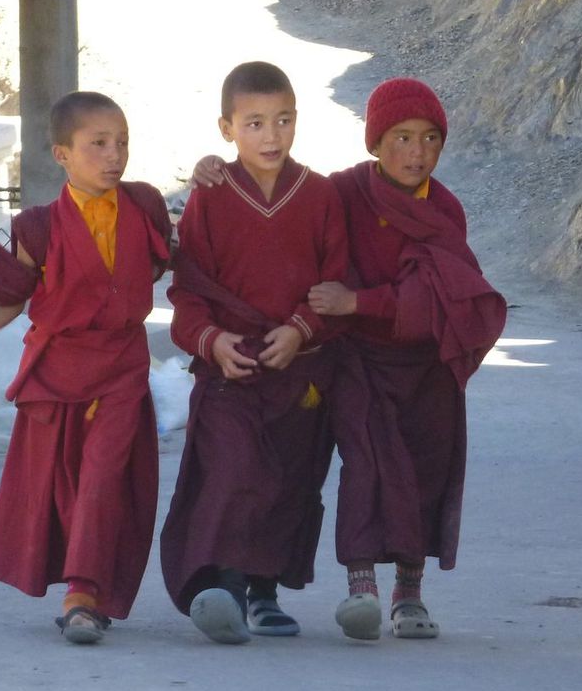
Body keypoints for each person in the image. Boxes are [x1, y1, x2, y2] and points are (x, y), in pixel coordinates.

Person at [194, 77, 506, 641]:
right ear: (374, 142)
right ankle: (360, 588)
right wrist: (211, 166)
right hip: (359, 358)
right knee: (365, 464)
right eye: (402, 137)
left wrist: (363, 301)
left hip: (428, 362)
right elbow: (284, 204)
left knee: (423, 472)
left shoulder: (445, 210)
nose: (417, 152)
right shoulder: (343, 191)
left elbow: (451, 291)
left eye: (431, 138)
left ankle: (409, 596)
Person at [0, 91, 171, 645]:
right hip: (60, 370)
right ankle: (84, 586)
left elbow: (182, 255)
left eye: (121, 142)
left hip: (123, 366)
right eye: (98, 144)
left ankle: (82, 597)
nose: (114, 155)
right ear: (62, 155)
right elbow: (14, 294)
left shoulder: (146, 206)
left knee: (105, 475)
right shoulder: (38, 226)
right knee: (68, 485)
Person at [160, 61, 349, 644]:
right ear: (227, 128)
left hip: (298, 369)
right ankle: (228, 591)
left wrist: (300, 329)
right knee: (236, 469)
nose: (271, 136)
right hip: (229, 368)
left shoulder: (320, 196)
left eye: (283, 121)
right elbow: (189, 290)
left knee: (291, 478)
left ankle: (264, 593)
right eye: (255, 123)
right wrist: (211, 341)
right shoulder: (210, 199)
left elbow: (336, 283)